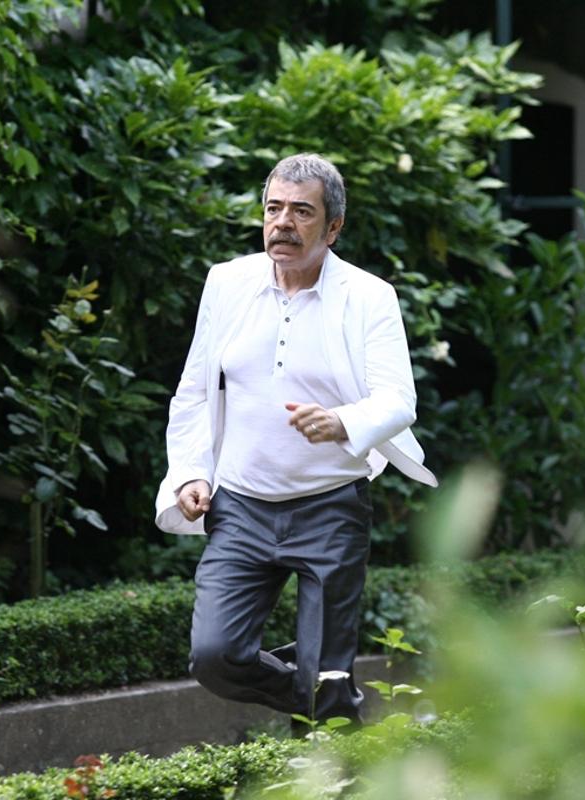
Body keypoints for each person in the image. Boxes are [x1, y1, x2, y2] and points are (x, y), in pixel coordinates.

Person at [154, 153, 437, 726]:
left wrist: (343, 422)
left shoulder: (369, 296)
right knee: (215, 657)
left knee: (326, 674)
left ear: (333, 228)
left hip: (330, 508)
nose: (282, 222)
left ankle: (326, 703)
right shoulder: (226, 283)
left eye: (301, 212)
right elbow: (195, 392)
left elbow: (397, 400)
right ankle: (325, 700)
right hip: (241, 506)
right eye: (273, 208)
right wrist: (190, 473)